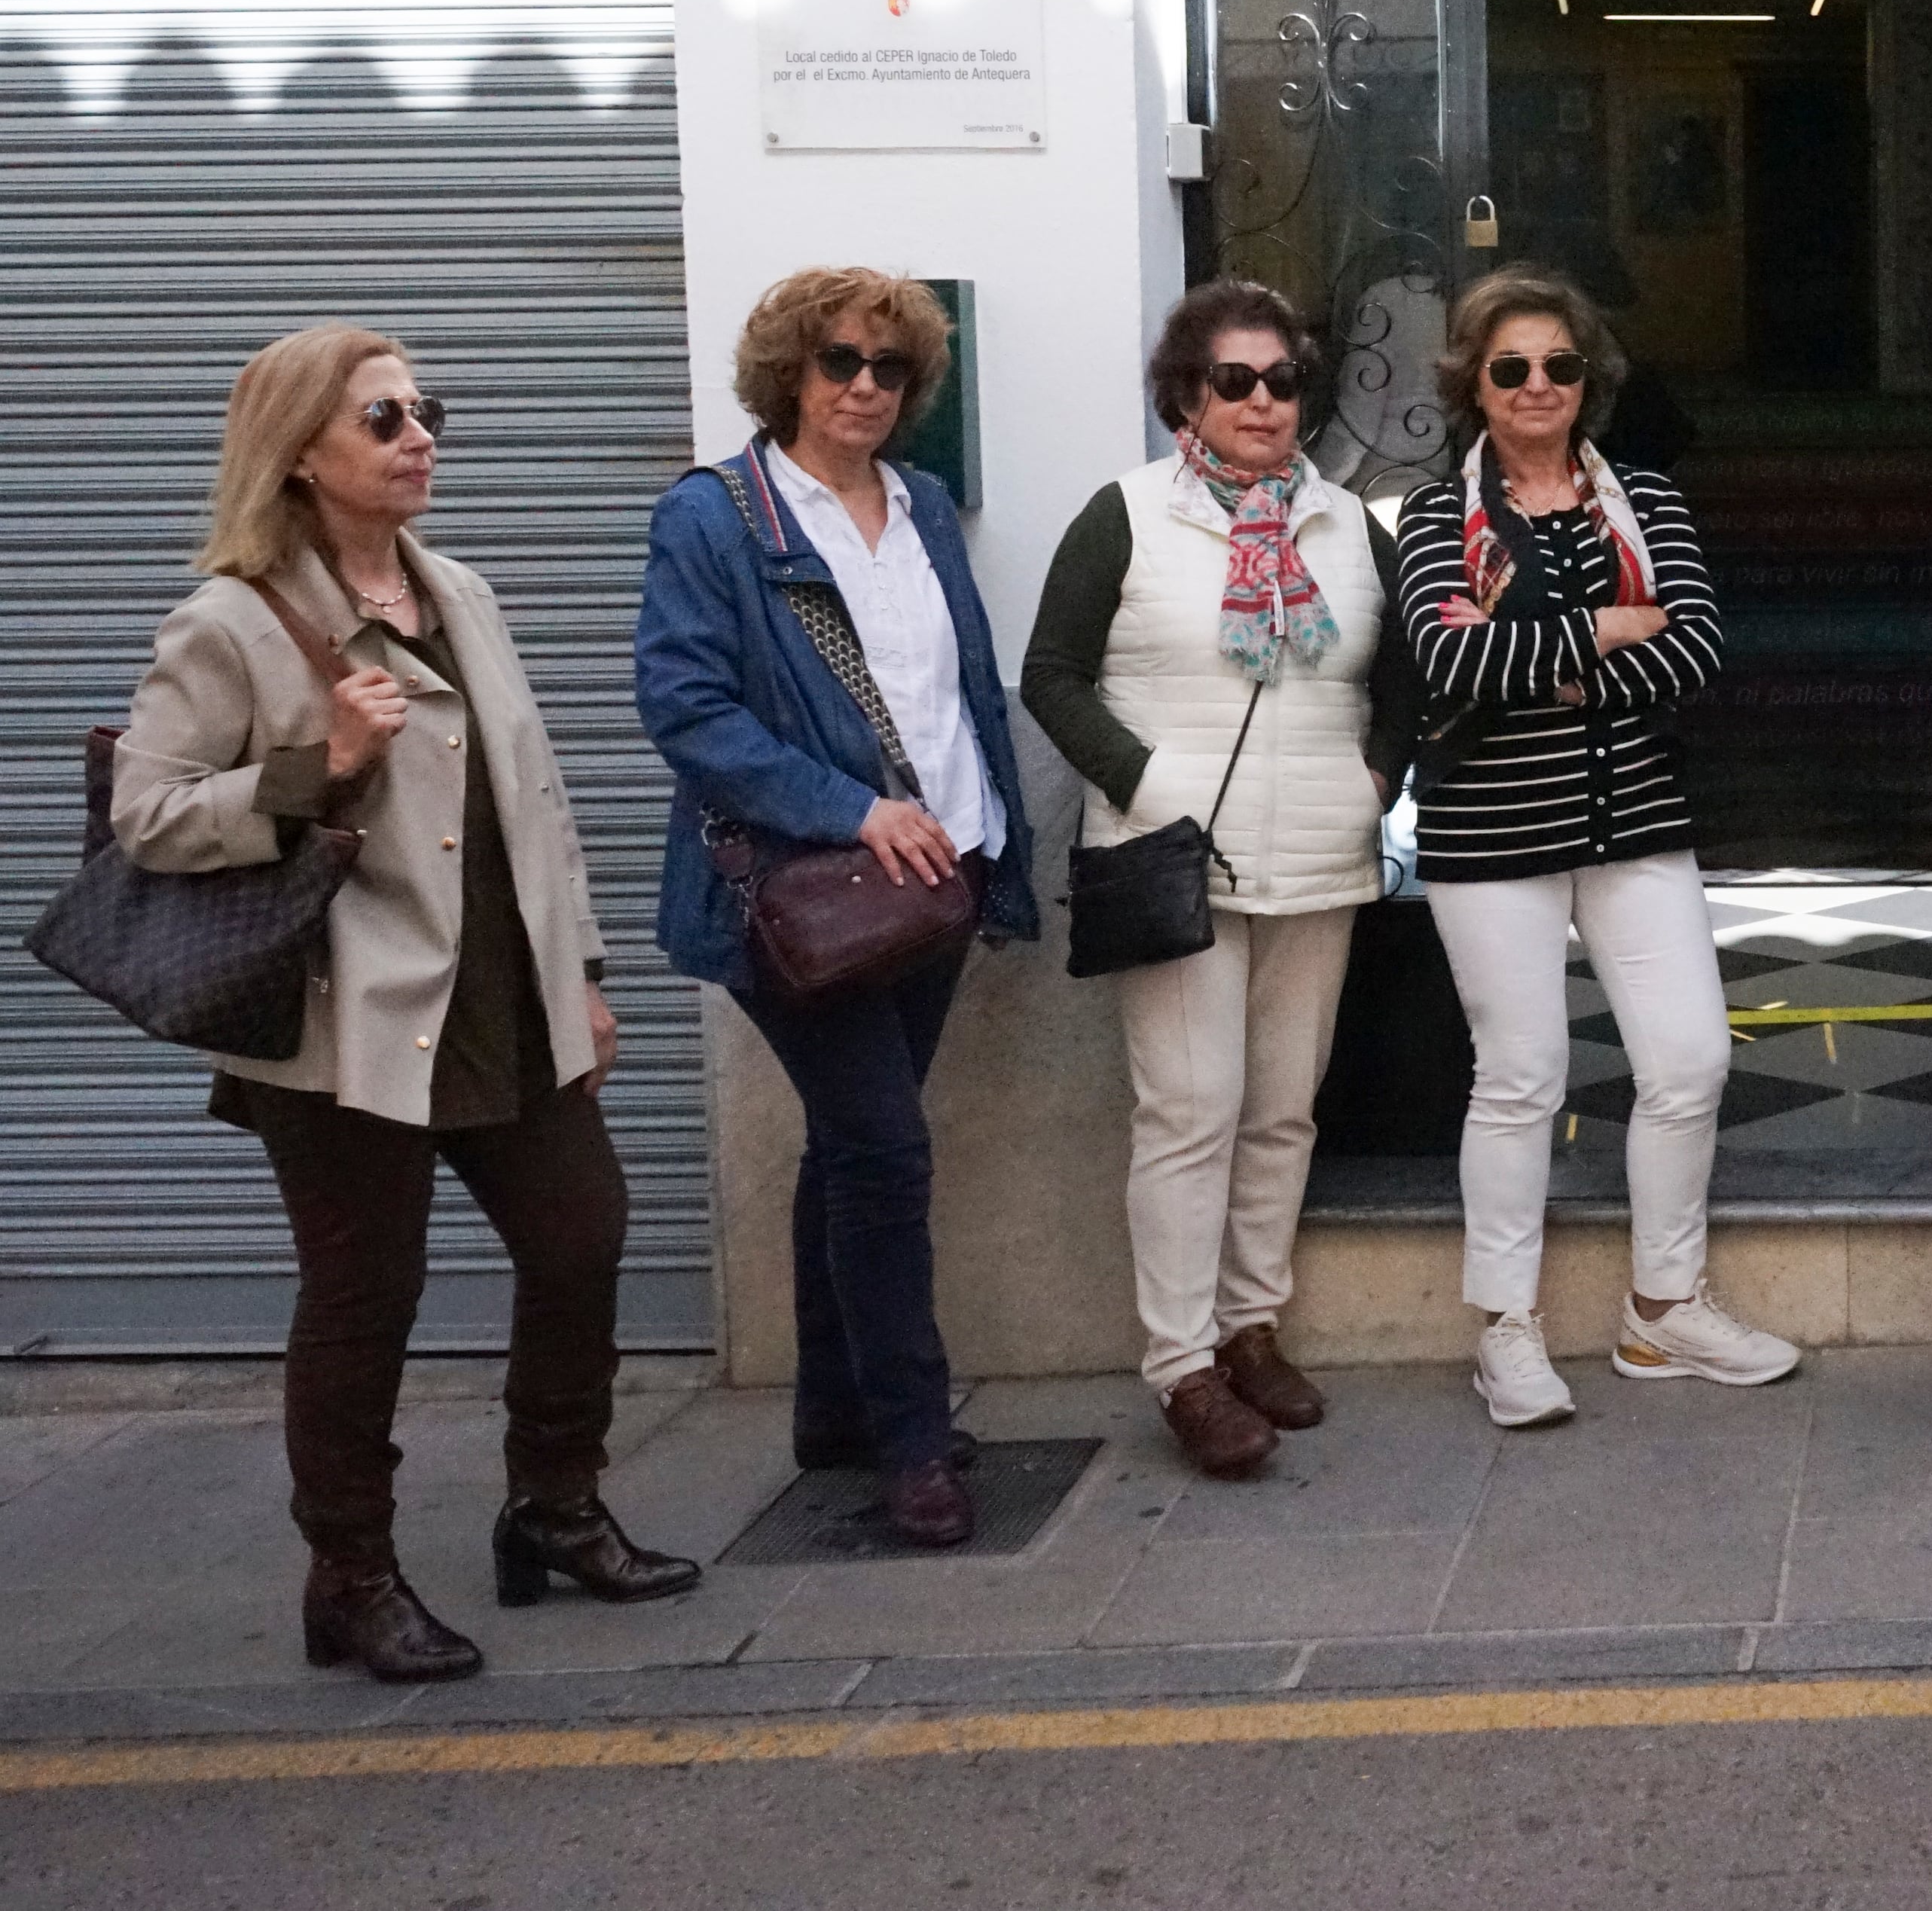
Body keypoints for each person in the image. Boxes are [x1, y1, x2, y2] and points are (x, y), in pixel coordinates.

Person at [111, 325, 695, 1684]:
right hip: (347, 1015)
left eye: (425, 409)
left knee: (582, 1236)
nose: (419, 435)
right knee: (366, 1294)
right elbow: (146, 811)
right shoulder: (233, 621)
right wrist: (321, 762)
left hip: (504, 986)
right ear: (301, 454)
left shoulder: (463, 591)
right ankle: (352, 1578)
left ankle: (554, 1506)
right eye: (382, 419)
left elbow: (530, 803)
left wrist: (587, 977)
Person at [633, 269, 1036, 1547]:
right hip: (803, 895)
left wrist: (989, 849)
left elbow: (953, 686)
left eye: (889, 368)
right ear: (788, 376)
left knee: (858, 1143)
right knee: (883, 1152)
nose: (865, 385)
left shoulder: (917, 503)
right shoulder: (720, 517)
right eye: (839, 362)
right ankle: (912, 1440)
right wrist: (851, 808)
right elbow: (688, 710)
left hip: (939, 881)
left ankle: (832, 1407)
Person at [1021, 282, 1418, 1480]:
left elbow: (1398, 675)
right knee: (1190, 1114)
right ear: (1187, 395)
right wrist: (1146, 781)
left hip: (1318, 859)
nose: (1262, 402)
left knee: (1283, 1106)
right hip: (1174, 859)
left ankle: (1251, 1327)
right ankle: (1181, 1365)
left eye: (1283, 380)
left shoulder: (1354, 524)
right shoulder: (1128, 517)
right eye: (1234, 381)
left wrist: (1375, 778)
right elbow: (1051, 674)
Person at [1396, 270, 1801, 1425]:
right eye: (1510, 366)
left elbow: (1699, 650)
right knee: (1521, 1076)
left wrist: (1534, 649)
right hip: (1491, 830)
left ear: (1590, 381)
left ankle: (1663, 1309)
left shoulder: (1651, 504)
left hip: (1637, 822)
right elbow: (1447, 661)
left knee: (1690, 1060)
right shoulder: (1438, 517)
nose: (1537, 386)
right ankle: (1507, 1328)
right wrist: (1612, 627)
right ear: (1475, 382)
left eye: (1559, 366)